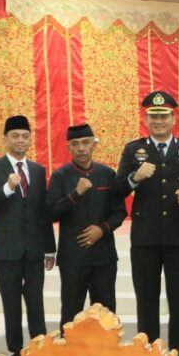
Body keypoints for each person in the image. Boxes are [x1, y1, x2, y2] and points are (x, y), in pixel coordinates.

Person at [116, 91, 179, 356]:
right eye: (153, 116)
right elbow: (117, 188)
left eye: (164, 116)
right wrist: (134, 177)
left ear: (173, 119)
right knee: (146, 298)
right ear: (146, 119)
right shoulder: (133, 150)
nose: (159, 121)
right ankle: (149, 354)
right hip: (145, 237)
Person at [0, 115, 55, 356]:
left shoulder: (38, 170)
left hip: (34, 248)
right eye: (15, 136)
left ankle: (39, 351)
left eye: (25, 136)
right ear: (5, 139)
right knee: (11, 305)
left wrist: (49, 248)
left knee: (36, 302)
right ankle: (17, 355)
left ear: (30, 139)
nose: (20, 140)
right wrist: (7, 188)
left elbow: (43, 212)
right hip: (7, 249)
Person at [47, 123, 126, 329]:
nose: (81, 148)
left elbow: (120, 212)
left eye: (85, 143)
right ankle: (70, 350)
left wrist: (102, 229)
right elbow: (51, 213)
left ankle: (106, 350)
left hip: (104, 257)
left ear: (94, 145)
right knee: (71, 314)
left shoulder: (108, 174)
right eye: (75, 144)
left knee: (106, 314)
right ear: (69, 148)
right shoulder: (60, 176)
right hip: (73, 258)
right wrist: (75, 194)